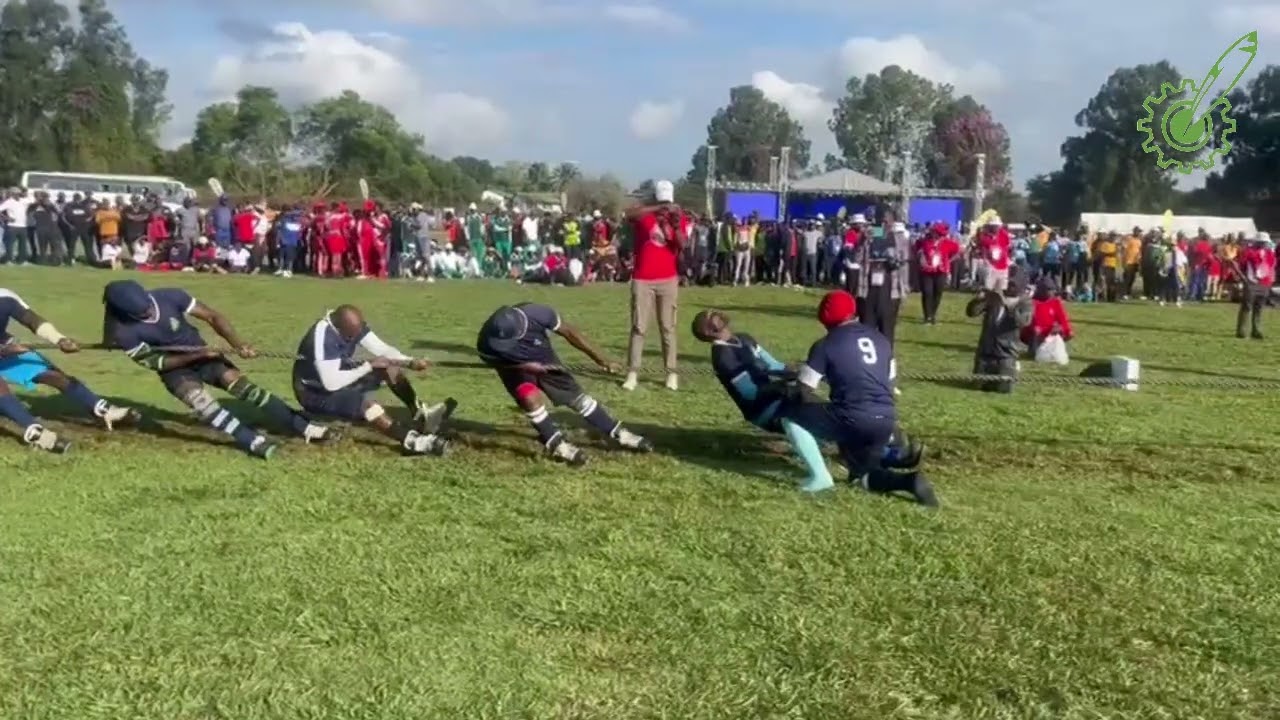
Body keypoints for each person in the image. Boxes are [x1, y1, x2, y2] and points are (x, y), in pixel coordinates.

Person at [691, 308, 925, 493]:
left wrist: (797, 372)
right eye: (710, 317)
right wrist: (785, 385)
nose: (715, 314)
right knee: (819, 420)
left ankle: (886, 455)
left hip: (783, 393)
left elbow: (774, 364)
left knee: (837, 417)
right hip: (763, 407)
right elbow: (750, 392)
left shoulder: (744, 338)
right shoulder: (722, 356)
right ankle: (860, 464)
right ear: (708, 331)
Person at [101, 280, 338, 459]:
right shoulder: (123, 332)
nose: (149, 313)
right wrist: (198, 355)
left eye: (148, 307)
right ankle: (250, 440)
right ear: (125, 313)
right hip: (174, 369)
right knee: (202, 403)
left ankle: (304, 427)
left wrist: (238, 344)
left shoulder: (170, 296)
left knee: (247, 389)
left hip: (205, 356)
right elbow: (157, 363)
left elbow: (212, 317)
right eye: (142, 314)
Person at [791, 291, 937, 506]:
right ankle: (909, 481)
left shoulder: (825, 344)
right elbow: (890, 383)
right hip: (886, 419)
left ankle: (819, 477)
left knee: (792, 416)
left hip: (852, 417)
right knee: (862, 476)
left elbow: (802, 391)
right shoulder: (881, 340)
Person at [475, 302, 652, 465]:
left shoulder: (538, 313)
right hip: (512, 368)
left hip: (545, 361)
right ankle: (556, 444)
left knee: (577, 399)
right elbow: (492, 362)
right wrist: (523, 366)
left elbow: (569, 332)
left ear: (521, 330)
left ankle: (619, 433)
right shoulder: (486, 341)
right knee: (529, 398)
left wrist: (601, 360)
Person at [292, 305, 455, 456]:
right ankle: (413, 441)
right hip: (314, 393)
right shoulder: (322, 339)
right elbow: (331, 383)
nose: (354, 338)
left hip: (338, 376)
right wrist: (368, 366)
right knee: (368, 406)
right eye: (350, 337)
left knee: (389, 368)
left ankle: (420, 416)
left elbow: (382, 349)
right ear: (339, 329)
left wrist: (409, 361)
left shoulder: (351, 326)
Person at [0, 289, 140, 452]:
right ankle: (34, 431)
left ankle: (102, 410)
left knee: (54, 376)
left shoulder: (5, 297)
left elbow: (32, 320)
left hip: (5, 347)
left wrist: (60, 339)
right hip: (4, 349)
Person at [622, 179, 685, 392]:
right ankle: (632, 373)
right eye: (662, 201)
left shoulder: (677, 216)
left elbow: (682, 244)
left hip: (668, 279)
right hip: (643, 279)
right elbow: (628, 214)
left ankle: (671, 373)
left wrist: (675, 225)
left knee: (668, 327)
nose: (666, 205)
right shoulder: (644, 215)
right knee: (639, 327)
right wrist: (656, 209)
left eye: (667, 201)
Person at [965, 272, 1033, 393]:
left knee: (1003, 389)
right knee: (977, 386)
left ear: (1021, 287)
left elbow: (1023, 322)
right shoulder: (994, 297)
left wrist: (1009, 306)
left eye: (1014, 285)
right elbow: (971, 313)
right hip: (986, 350)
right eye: (1009, 283)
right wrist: (978, 300)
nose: (1010, 287)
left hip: (1006, 353)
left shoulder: (1025, 303)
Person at [1234, 232, 1275, 339]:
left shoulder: (1269, 253)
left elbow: (1271, 268)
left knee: (1259, 308)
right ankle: (1242, 331)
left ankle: (1256, 330)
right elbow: (1240, 265)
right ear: (1257, 242)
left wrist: (1270, 282)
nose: (1264, 244)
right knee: (1247, 307)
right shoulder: (1248, 252)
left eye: (1265, 242)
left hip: (1265, 283)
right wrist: (1243, 278)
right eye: (1262, 242)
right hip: (1251, 282)